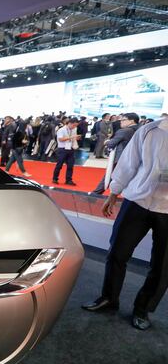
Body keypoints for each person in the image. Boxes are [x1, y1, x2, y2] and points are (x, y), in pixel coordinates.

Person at [82, 114, 168, 330]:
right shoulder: (150, 131)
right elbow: (129, 162)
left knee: (163, 264)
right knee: (117, 253)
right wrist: (114, 192)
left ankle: (143, 309)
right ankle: (109, 298)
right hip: (137, 200)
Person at [90, 113, 140, 195]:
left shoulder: (124, 131)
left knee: (110, 175)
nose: (120, 122)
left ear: (131, 121)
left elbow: (111, 143)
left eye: (123, 120)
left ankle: (96, 194)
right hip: (135, 159)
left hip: (120, 158)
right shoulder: (140, 130)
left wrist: (107, 142)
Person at [52, 117, 80, 186]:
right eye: (74, 125)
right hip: (62, 149)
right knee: (59, 165)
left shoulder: (74, 130)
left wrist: (76, 138)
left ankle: (68, 180)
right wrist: (71, 137)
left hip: (71, 148)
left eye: (76, 126)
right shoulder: (61, 130)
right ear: (70, 123)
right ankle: (55, 178)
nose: (74, 127)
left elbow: (72, 138)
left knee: (70, 165)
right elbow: (60, 139)